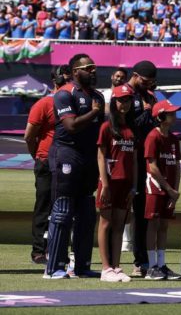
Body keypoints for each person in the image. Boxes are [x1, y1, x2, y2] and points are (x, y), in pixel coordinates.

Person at [45, 54, 104, 279]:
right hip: (67, 154)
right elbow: (70, 126)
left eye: (94, 67)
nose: (93, 71)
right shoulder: (64, 94)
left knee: (87, 214)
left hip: (89, 158)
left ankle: (82, 266)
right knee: (62, 212)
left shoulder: (97, 96)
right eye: (88, 68)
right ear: (75, 71)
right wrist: (95, 112)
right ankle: (55, 267)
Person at [25, 65, 68, 265]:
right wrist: (39, 157)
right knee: (44, 207)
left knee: (62, 207)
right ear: (55, 81)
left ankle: (57, 248)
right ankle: (39, 251)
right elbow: (29, 136)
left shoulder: (73, 102)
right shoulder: (44, 104)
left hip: (65, 162)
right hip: (47, 161)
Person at [96, 84, 137, 283]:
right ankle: (105, 268)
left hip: (126, 184)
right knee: (105, 223)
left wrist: (134, 186)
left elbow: (135, 161)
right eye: (121, 100)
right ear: (114, 102)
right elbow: (101, 156)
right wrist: (104, 184)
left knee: (120, 225)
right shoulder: (106, 127)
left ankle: (117, 267)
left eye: (128, 100)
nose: (125, 104)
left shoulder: (130, 129)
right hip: (109, 183)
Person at [125, 61, 158, 276]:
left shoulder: (150, 97)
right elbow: (125, 125)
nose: (148, 85)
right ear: (135, 75)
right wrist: (146, 113)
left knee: (144, 212)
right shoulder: (124, 94)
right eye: (145, 81)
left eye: (151, 83)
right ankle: (111, 264)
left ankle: (142, 260)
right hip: (127, 159)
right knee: (118, 213)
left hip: (145, 159)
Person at [143, 100, 181, 280]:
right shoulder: (153, 136)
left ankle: (162, 264)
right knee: (154, 224)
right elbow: (152, 166)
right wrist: (168, 188)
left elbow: (177, 165)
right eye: (170, 112)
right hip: (156, 187)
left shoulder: (173, 138)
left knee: (164, 226)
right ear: (160, 117)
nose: (174, 115)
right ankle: (151, 267)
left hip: (169, 190)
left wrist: (175, 189)